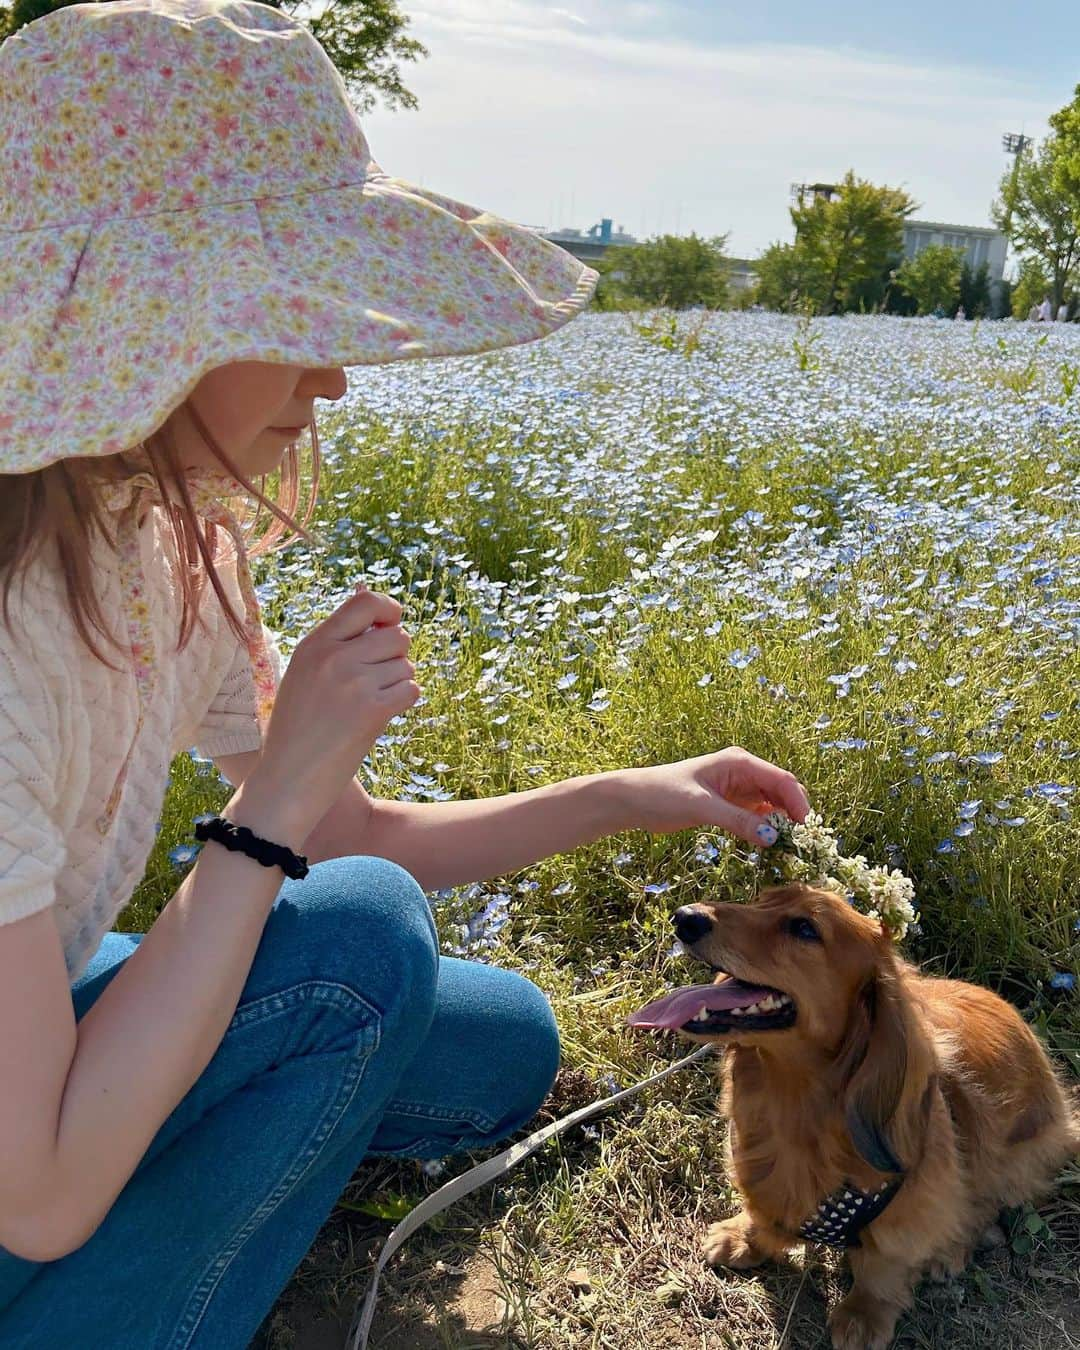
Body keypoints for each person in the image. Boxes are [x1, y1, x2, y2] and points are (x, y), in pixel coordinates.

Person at [0, 3, 810, 1346]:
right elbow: (31, 1195)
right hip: (19, 1179)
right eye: (286, 312)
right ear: (138, 331)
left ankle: (178, 1157)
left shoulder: (172, 543)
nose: (333, 372)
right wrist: (267, 814)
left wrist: (631, 790)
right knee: (362, 952)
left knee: (495, 1039)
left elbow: (357, 830)